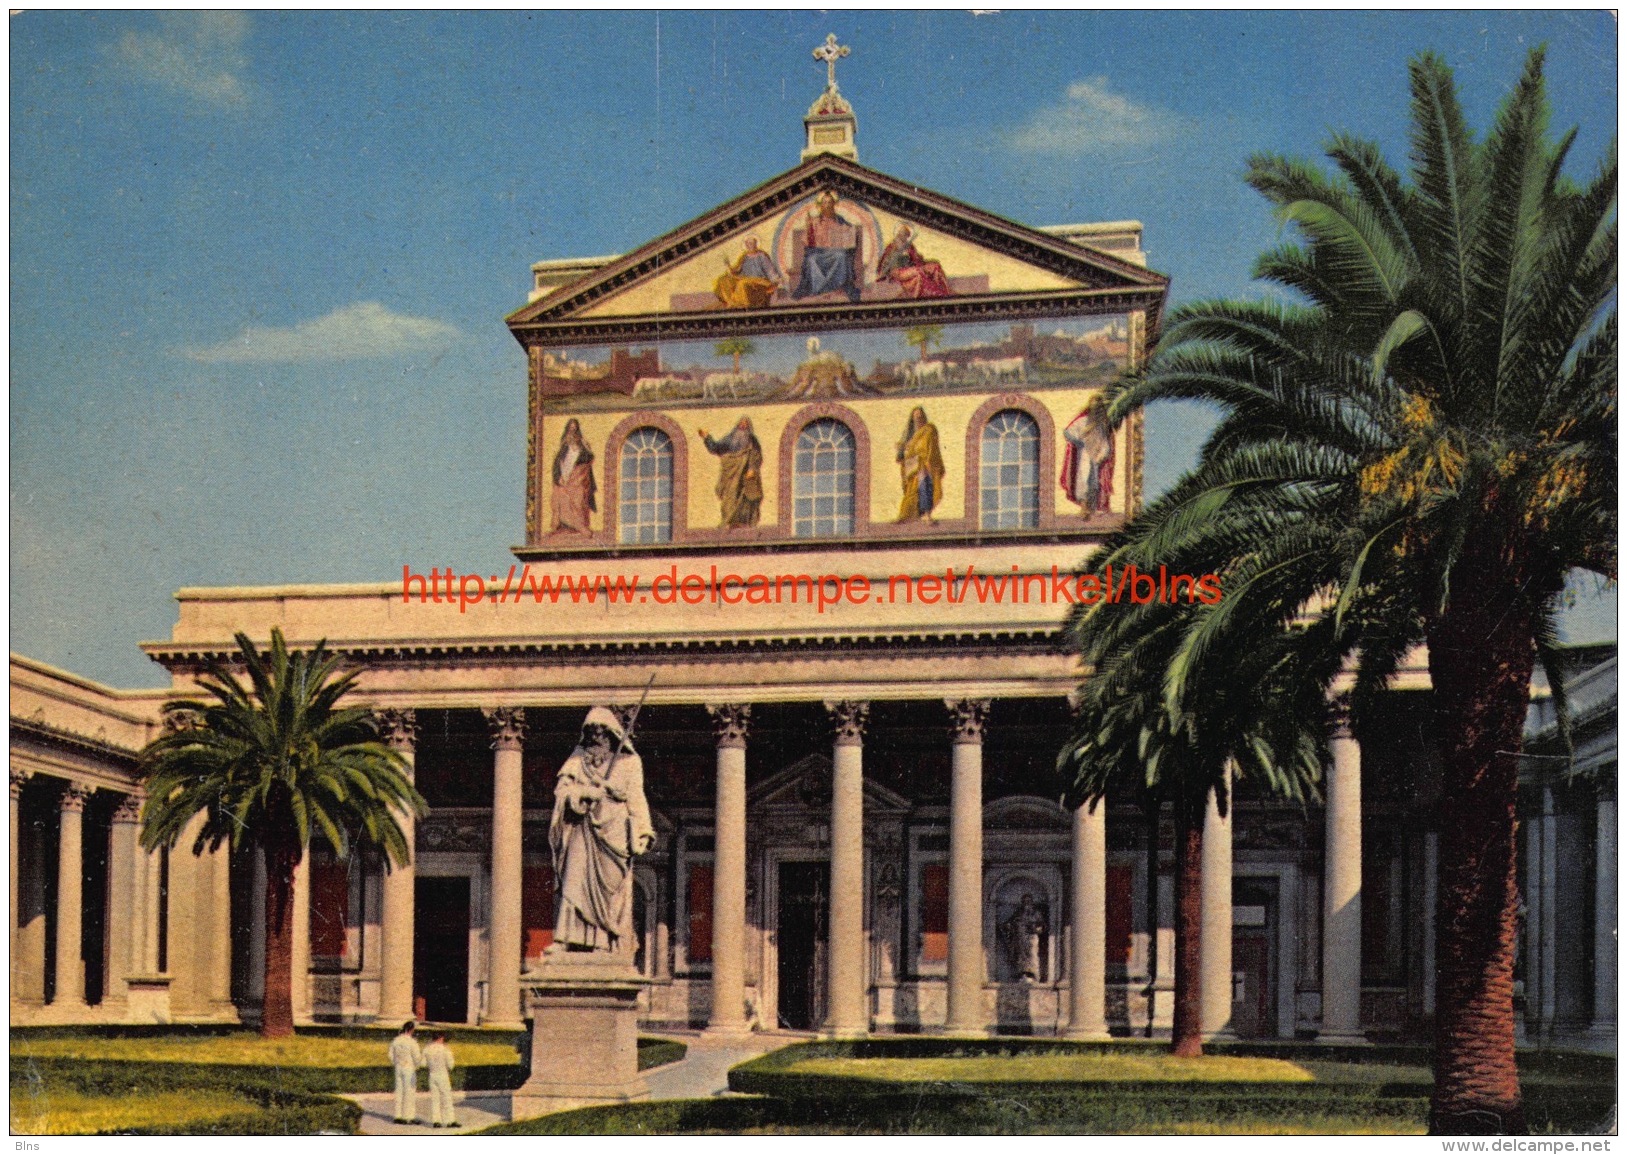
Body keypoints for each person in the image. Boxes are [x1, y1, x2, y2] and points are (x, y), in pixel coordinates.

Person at [549, 707, 655, 955]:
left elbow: (636, 797)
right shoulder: (576, 761)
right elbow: (562, 793)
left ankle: (602, 941)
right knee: (573, 880)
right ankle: (564, 938)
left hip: (614, 830)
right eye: (591, 732)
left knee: (609, 889)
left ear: (612, 734)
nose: (596, 738)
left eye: (601, 733)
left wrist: (643, 828)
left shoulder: (629, 762)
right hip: (582, 828)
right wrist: (584, 794)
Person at [792, 190, 862, 302]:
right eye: (824, 203)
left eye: (830, 203)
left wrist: (848, 233)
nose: (827, 205)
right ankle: (818, 290)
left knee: (841, 255)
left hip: (834, 252)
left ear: (834, 204)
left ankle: (837, 288)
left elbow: (849, 235)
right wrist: (809, 228)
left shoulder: (840, 221)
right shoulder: (814, 221)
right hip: (818, 253)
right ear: (820, 205)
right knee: (811, 260)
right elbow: (806, 242)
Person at [699, 417, 764, 528]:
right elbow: (716, 447)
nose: (743, 426)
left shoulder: (752, 440)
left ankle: (743, 522)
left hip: (745, 472)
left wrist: (752, 468)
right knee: (729, 495)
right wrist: (706, 437)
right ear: (737, 425)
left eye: (745, 424)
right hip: (730, 471)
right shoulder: (729, 439)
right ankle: (728, 520)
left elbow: (756, 455)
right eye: (741, 424)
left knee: (746, 496)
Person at [1061, 395, 1114, 513]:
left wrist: (1100, 456)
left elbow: (1105, 446)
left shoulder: (1100, 426)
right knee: (1083, 477)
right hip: (1084, 454)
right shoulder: (1082, 422)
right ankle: (1084, 506)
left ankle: (1092, 507)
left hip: (1095, 456)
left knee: (1094, 481)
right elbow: (1068, 433)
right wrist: (1079, 442)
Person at [896, 406, 946, 521]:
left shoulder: (929, 429)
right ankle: (910, 515)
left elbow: (927, 446)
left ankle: (926, 514)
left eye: (920, 416)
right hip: (912, 466)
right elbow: (907, 452)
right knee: (912, 491)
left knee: (924, 486)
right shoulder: (911, 435)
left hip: (925, 463)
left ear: (924, 417)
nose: (918, 418)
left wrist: (912, 449)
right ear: (912, 419)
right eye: (915, 417)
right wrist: (903, 448)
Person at [877, 225, 952, 299]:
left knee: (935, 266)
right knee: (919, 271)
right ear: (899, 234)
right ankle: (915, 299)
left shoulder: (909, 246)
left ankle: (941, 291)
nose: (905, 237)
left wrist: (919, 258)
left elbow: (917, 259)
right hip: (898, 272)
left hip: (911, 268)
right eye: (903, 234)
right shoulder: (892, 247)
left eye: (907, 235)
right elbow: (885, 262)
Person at [551, 418, 596, 533]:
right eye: (570, 430)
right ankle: (566, 524)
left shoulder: (582, 447)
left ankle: (580, 525)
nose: (572, 434)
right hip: (565, 478)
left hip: (578, 479)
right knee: (560, 494)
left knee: (579, 495)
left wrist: (587, 448)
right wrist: (558, 478)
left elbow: (589, 458)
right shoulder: (564, 447)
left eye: (574, 430)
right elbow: (557, 464)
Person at [713, 236, 782, 310]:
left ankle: (740, 304)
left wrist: (775, 279)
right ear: (746, 245)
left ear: (756, 244)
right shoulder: (744, 256)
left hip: (759, 281)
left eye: (752, 243)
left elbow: (769, 269)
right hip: (744, 278)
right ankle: (731, 302)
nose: (750, 245)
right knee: (723, 280)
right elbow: (736, 270)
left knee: (742, 284)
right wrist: (728, 265)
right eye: (748, 244)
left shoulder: (762, 256)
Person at [388, 1020, 424, 1124]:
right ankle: (408, 1117)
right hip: (409, 1068)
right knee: (409, 1092)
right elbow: (417, 1057)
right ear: (411, 1030)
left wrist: (396, 1063)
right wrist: (417, 1066)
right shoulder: (412, 1042)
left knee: (399, 1091)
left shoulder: (396, 1040)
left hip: (398, 1067)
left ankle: (398, 1116)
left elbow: (390, 1055)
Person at [423, 1032, 457, 1128]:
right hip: (443, 1074)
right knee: (447, 1098)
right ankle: (450, 1120)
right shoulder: (445, 1049)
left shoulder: (427, 1049)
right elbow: (451, 1065)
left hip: (432, 1074)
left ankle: (436, 1121)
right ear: (441, 1038)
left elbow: (423, 1063)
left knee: (435, 1099)